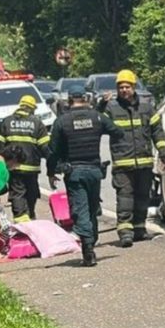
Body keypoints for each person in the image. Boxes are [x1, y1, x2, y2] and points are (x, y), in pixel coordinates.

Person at [48, 88, 123, 266]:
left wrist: (51, 173)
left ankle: (88, 248)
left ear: (69, 100)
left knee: (80, 211)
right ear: (86, 99)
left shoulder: (62, 121)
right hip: (95, 171)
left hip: (75, 173)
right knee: (91, 209)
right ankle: (90, 245)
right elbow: (118, 132)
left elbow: (53, 151)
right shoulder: (97, 117)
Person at [98, 69, 165, 247]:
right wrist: (100, 106)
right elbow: (98, 124)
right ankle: (125, 232)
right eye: (121, 87)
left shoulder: (146, 108)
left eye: (127, 86)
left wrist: (163, 151)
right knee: (125, 197)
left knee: (143, 197)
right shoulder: (111, 108)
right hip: (122, 163)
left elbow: (157, 132)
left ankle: (139, 229)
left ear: (134, 87)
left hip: (144, 162)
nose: (124, 90)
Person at [0, 94, 50, 223]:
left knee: (17, 193)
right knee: (31, 194)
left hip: (14, 167)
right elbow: (46, 148)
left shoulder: (7, 122)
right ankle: (30, 217)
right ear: (32, 109)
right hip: (32, 168)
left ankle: (21, 220)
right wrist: (54, 164)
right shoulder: (37, 124)